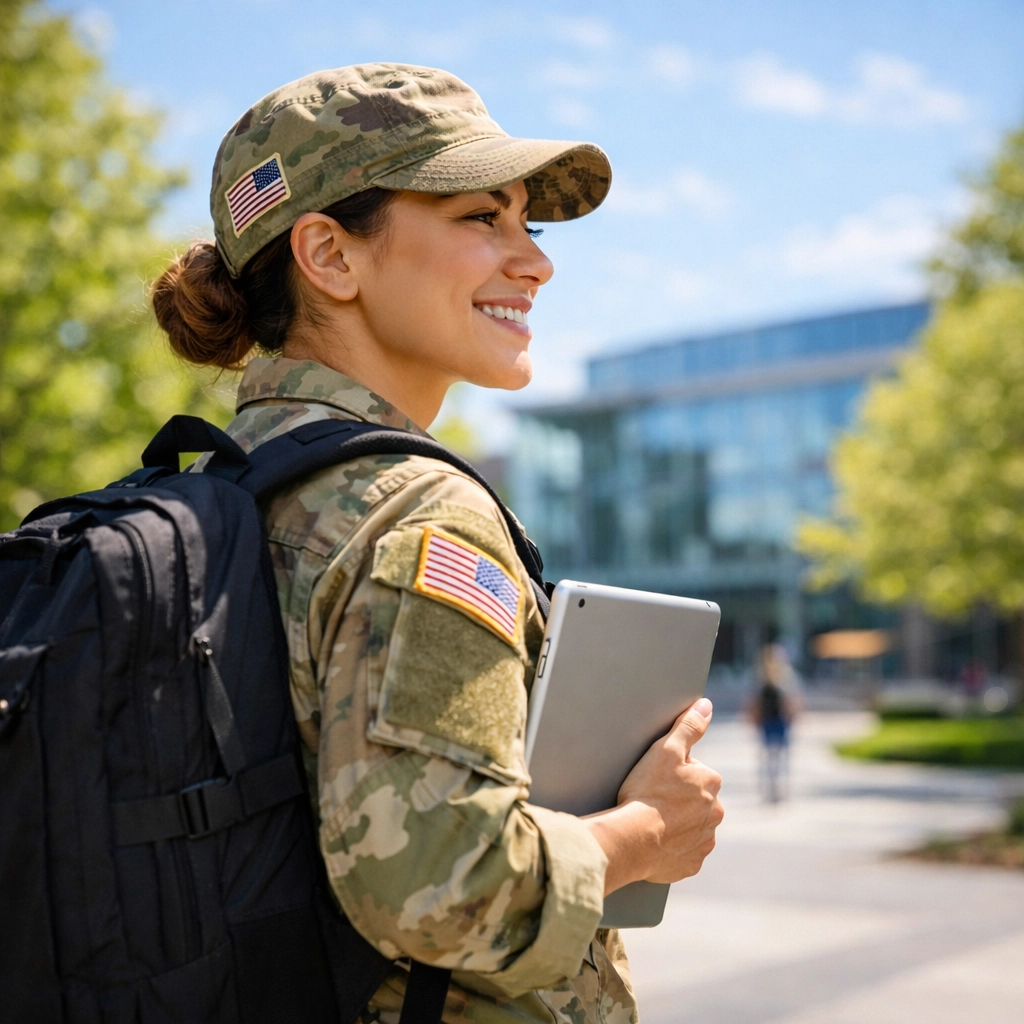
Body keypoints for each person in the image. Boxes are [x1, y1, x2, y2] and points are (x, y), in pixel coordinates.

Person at [152, 64, 724, 1023]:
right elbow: (438, 882)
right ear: (330, 256)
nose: (534, 262)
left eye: (528, 225)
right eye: (480, 219)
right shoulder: (418, 513)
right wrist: (645, 833)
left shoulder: (221, 490)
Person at [747, 643, 801, 803]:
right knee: (769, 757)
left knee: (781, 758)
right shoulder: (759, 676)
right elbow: (753, 701)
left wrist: (795, 715)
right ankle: (770, 790)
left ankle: (780, 789)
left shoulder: (788, 676)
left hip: (781, 721)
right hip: (767, 721)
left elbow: (793, 700)